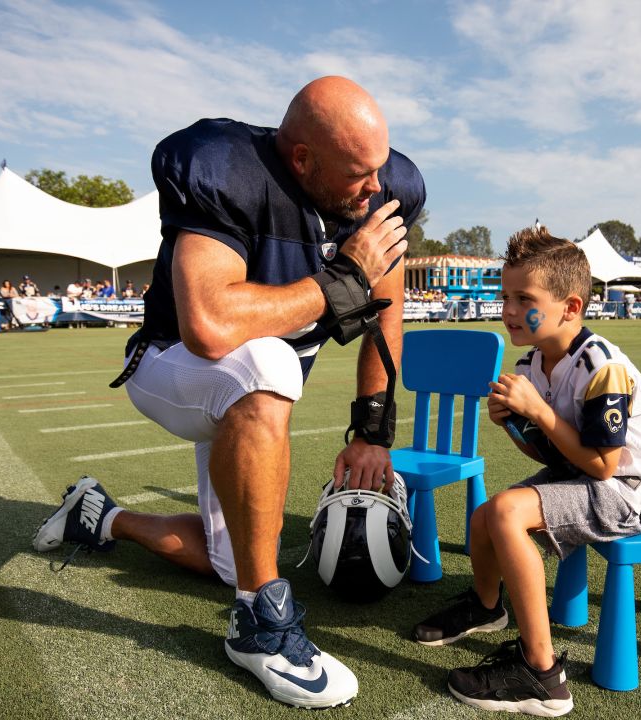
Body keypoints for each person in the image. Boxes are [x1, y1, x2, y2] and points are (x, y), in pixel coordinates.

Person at [32, 76, 424, 709]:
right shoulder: (227, 171)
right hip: (174, 367)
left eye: (379, 167)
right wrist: (339, 278)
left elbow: (385, 312)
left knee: (231, 559)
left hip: (250, 391)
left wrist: (373, 432)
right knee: (269, 364)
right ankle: (261, 625)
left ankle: (99, 516)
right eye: (357, 172)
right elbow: (211, 327)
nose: (375, 186)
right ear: (302, 159)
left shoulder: (384, 187)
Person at [411, 226, 641, 716]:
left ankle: (541, 672)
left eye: (523, 298)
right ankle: (488, 606)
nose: (508, 309)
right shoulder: (534, 362)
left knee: (509, 512)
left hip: (633, 490)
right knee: (487, 514)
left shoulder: (602, 367)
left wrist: (537, 412)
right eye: (504, 296)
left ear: (571, 307)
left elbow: (602, 466)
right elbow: (556, 457)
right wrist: (516, 427)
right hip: (590, 476)